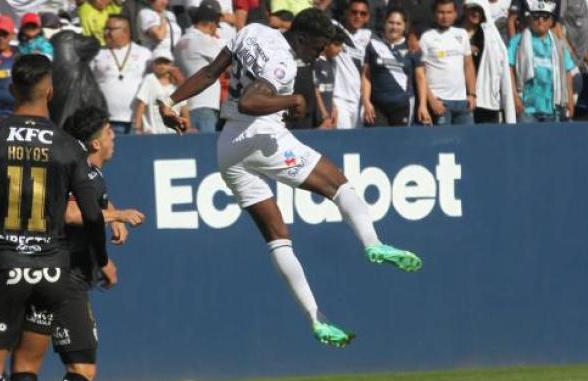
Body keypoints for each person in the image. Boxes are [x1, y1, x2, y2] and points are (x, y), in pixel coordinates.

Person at [159, 8, 422, 348]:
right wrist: (291, 98)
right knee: (339, 186)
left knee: (277, 238)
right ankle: (373, 243)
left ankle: (316, 319)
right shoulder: (283, 63)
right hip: (262, 137)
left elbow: (210, 73)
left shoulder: (252, 32)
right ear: (302, 37)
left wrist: (168, 101)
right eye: (318, 46)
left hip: (228, 148)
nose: (319, 53)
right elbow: (253, 101)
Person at [0, 54, 110, 381]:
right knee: (28, 366)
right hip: (52, 270)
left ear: (10, 89)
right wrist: (101, 256)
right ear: (50, 93)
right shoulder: (68, 146)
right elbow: (93, 216)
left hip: (3, 264)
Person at [6, 105, 145, 381]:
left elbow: (89, 201)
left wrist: (110, 216)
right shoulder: (80, 169)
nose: (114, 139)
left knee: (23, 364)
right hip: (63, 276)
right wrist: (117, 214)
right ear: (95, 143)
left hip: (33, 267)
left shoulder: (73, 167)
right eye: (109, 133)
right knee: (81, 368)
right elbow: (69, 213)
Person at [508, 0, 575, 122]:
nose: (540, 20)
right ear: (529, 19)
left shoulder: (559, 45)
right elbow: (509, 71)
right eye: (536, 16)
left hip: (553, 108)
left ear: (551, 21)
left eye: (545, 17)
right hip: (526, 108)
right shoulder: (516, 42)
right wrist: (515, 97)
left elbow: (567, 73)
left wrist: (570, 98)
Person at [417, 0, 477, 126]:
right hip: (440, 103)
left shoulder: (462, 34)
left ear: (455, 13)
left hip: (462, 102)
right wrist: (431, 100)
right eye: (441, 12)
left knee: (468, 141)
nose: (445, 16)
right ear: (434, 14)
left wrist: (472, 94)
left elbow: (468, 65)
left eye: (449, 12)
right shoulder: (426, 37)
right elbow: (420, 73)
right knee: (443, 143)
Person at [90, 14, 152, 135]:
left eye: (111, 29)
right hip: (106, 121)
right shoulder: (97, 53)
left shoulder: (144, 54)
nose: (106, 32)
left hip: (136, 121)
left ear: (125, 31)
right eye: (105, 29)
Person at [362, 7, 422, 127]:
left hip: (402, 105)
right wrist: (366, 102)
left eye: (399, 24)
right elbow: (366, 76)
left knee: (401, 143)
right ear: (384, 23)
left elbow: (420, 77)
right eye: (391, 22)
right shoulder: (373, 44)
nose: (394, 27)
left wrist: (423, 105)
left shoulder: (412, 47)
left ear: (405, 26)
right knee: (376, 142)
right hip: (377, 105)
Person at [462, 0, 516, 123]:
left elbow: (505, 79)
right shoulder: (454, 34)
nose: (476, 13)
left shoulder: (493, 40)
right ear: (464, 9)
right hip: (460, 101)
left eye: (479, 10)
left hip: (486, 103)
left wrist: (510, 117)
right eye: (473, 9)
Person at [174, 0, 224, 133]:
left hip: (187, 105)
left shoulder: (181, 40)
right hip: (204, 104)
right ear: (211, 24)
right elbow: (228, 62)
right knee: (207, 150)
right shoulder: (203, 40)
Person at [333, 0, 372, 129]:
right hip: (339, 99)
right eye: (354, 12)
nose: (358, 16)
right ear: (347, 13)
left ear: (367, 17)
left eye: (362, 13)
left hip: (359, 101)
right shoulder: (335, 28)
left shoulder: (369, 36)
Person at [134, 56, 191, 133]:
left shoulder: (177, 84)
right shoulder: (150, 79)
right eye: (158, 63)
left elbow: (184, 108)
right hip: (153, 133)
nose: (162, 66)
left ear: (171, 65)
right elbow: (141, 104)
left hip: (174, 133)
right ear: (153, 65)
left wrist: (188, 128)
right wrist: (137, 128)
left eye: (165, 63)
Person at [313, 28, 346, 129]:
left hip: (329, 115)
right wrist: (324, 114)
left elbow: (329, 90)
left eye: (341, 45)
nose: (339, 49)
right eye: (336, 45)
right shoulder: (316, 62)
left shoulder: (331, 62)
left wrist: (334, 108)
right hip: (319, 117)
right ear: (326, 44)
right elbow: (316, 91)